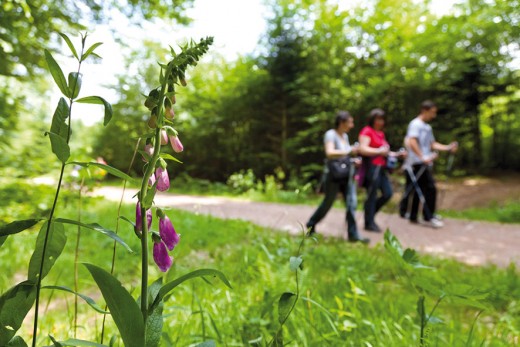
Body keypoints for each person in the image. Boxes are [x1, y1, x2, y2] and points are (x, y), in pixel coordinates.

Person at [306, 111, 369, 244]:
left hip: (346, 175)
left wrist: (353, 159)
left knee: (351, 203)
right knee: (328, 202)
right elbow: (330, 153)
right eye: (350, 122)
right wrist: (348, 151)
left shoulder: (344, 136)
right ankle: (311, 223)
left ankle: (353, 234)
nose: (352, 125)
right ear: (342, 122)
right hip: (333, 175)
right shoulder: (331, 134)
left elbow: (344, 157)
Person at [399, 100, 458, 228]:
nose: (434, 115)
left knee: (419, 189)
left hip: (424, 162)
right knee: (430, 188)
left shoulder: (427, 127)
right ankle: (428, 216)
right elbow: (412, 141)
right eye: (432, 112)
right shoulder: (415, 124)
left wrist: (448, 148)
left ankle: (415, 216)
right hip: (417, 163)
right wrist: (422, 157)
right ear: (424, 110)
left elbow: (432, 144)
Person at [358, 108, 405, 232]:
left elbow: (386, 152)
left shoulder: (381, 134)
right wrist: (379, 151)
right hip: (372, 168)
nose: (381, 122)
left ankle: (370, 215)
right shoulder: (367, 131)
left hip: (382, 168)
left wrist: (397, 155)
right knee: (372, 195)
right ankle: (369, 222)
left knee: (388, 193)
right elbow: (363, 149)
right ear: (372, 119)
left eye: (382, 119)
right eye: (378, 119)